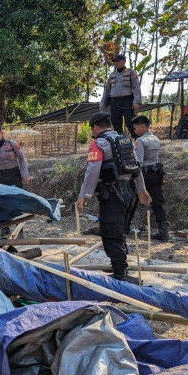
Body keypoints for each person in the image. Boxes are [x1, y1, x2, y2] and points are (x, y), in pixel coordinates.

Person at [76, 112, 151, 283]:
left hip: (112, 194)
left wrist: (83, 196)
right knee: (119, 232)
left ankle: (120, 274)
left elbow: (92, 171)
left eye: (92, 130)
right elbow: (136, 167)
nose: (92, 133)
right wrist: (141, 190)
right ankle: (121, 268)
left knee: (110, 233)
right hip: (129, 194)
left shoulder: (99, 144)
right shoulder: (126, 141)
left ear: (96, 127)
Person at [128, 115, 169, 241]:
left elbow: (138, 162)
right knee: (157, 201)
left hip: (144, 174)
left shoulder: (140, 141)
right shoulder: (156, 139)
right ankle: (163, 230)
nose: (134, 131)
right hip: (156, 173)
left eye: (135, 128)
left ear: (142, 127)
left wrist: (134, 178)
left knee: (133, 199)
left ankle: (125, 226)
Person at [100, 53, 141, 137]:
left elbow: (136, 87)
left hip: (127, 101)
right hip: (114, 102)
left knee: (130, 121)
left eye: (118, 61)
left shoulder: (131, 72)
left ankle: (138, 140)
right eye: (115, 61)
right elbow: (107, 90)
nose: (116, 63)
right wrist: (103, 103)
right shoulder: (112, 75)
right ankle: (121, 142)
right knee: (115, 122)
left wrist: (136, 101)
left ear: (124, 61)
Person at [0, 123, 30, 188]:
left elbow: (22, 159)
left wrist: (25, 175)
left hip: (15, 175)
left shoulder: (12, 144)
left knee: (17, 196)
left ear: (2, 134)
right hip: (2, 177)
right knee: (4, 197)